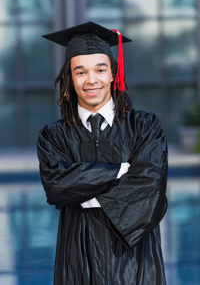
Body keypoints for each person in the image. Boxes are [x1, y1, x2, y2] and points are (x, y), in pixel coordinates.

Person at [37, 21, 168, 285]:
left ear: (113, 74)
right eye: (80, 72)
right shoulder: (54, 136)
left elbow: (151, 188)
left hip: (135, 260)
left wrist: (83, 190)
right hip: (78, 258)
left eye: (100, 69)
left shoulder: (145, 126)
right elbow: (56, 186)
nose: (91, 79)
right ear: (70, 79)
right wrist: (120, 170)